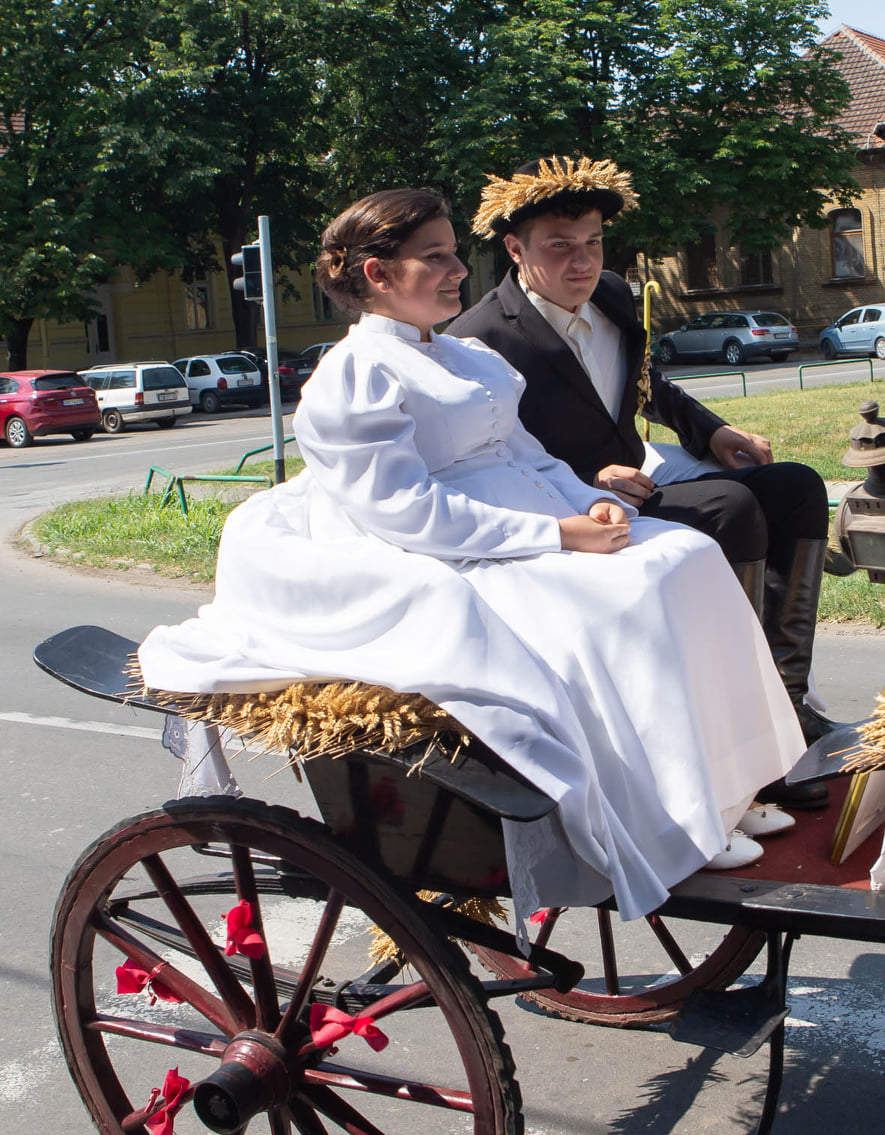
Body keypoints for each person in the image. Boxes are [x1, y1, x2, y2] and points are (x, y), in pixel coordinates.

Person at [139, 189, 806, 916]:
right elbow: (405, 509)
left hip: (523, 516)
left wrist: (586, 501)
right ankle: (674, 816)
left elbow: (528, 453)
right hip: (442, 548)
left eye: (455, 253)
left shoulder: (467, 356)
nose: (459, 270)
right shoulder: (355, 374)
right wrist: (555, 535)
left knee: (686, 556)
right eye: (435, 257)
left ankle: (729, 783)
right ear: (377, 274)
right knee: (618, 601)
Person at [450, 157, 836, 811]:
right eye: (560, 247)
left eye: (593, 242)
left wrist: (711, 431)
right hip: (577, 519)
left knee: (796, 486)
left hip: (637, 493)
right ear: (515, 249)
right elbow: (488, 459)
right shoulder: (480, 340)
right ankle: (746, 736)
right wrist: (584, 480)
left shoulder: (612, 295)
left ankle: (786, 703)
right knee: (729, 504)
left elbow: (643, 381)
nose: (582, 262)